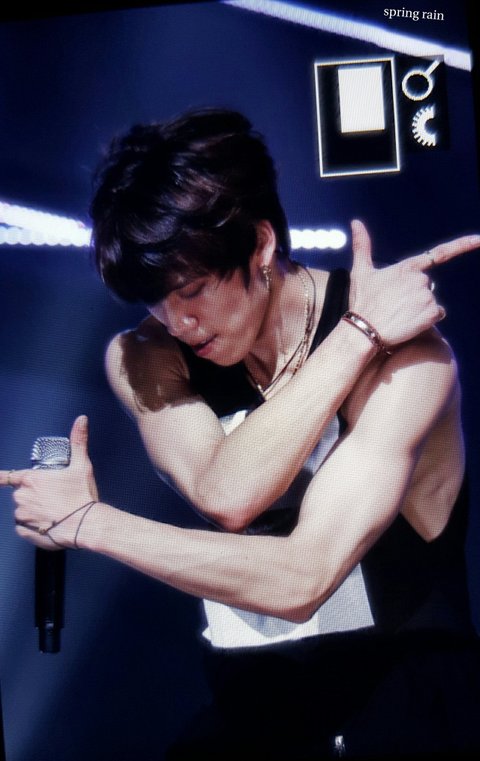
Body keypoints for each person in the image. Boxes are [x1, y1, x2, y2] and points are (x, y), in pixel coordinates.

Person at [2, 108, 480, 760]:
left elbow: (302, 577)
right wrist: (357, 336)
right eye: (155, 299)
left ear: (259, 245)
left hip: (402, 706)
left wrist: (89, 522)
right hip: (254, 707)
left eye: (193, 290)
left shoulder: (409, 359)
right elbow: (224, 490)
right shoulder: (148, 355)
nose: (178, 321)